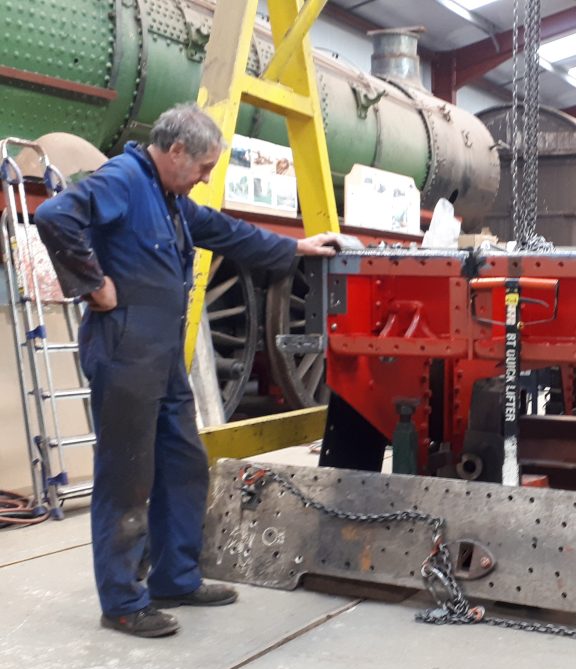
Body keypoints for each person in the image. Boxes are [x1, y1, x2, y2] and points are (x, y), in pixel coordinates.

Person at [35, 103, 345, 638]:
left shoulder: (173, 199)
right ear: (175, 150)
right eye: (203, 166)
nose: (205, 178)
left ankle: (174, 577)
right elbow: (54, 216)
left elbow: (227, 232)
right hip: (126, 349)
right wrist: (93, 283)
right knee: (127, 477)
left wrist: (295, 247)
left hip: (161, 357)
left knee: (183, 463)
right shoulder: (124, 179)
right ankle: (124, 601)